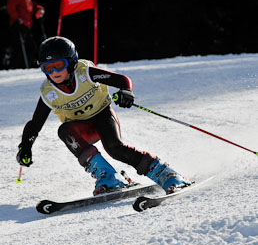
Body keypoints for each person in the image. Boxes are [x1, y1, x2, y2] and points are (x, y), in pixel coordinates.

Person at [16, 36, 189, 196]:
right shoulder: (49, 92)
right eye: (47, 67)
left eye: (58, 65)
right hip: (82, 129)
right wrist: (25, 147)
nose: (54, 71)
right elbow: (35, 124)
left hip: (102, 116)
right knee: (64, 131)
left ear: (71, 62)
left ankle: (166, 174)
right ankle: (108, 177)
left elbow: (122, 80)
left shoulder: (85, 73)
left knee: (114, 148)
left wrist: (126, 92)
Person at [4, 0, 45, 69]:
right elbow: (10, 7)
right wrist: (17, 18)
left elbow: (33, 6)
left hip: (26, 27)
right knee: (21, 48)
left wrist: (39, 9)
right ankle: (15, 66)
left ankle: (26, 65)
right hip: (18, 26)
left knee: (30, 47)